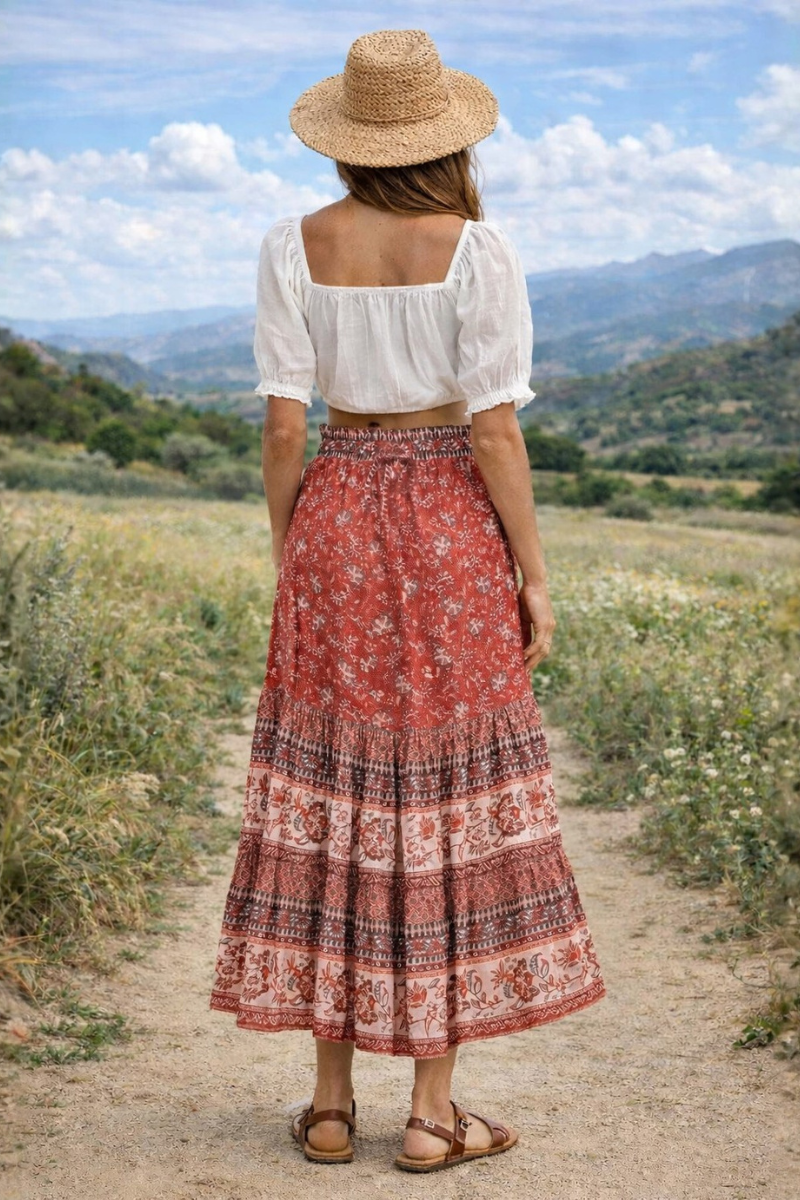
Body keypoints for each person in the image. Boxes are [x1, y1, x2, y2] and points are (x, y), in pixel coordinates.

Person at [209, 28, 607, 1174]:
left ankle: (330, 1106)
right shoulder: (476, 249)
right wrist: (531, 572)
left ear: (346, 139)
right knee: (441, 793)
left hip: (334, 509)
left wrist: (292, 546)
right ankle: (432, 1116)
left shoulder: (292, 242)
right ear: (443, 139)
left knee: (335, 789)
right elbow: (494, 431)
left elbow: (281, 426)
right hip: (446, 528)